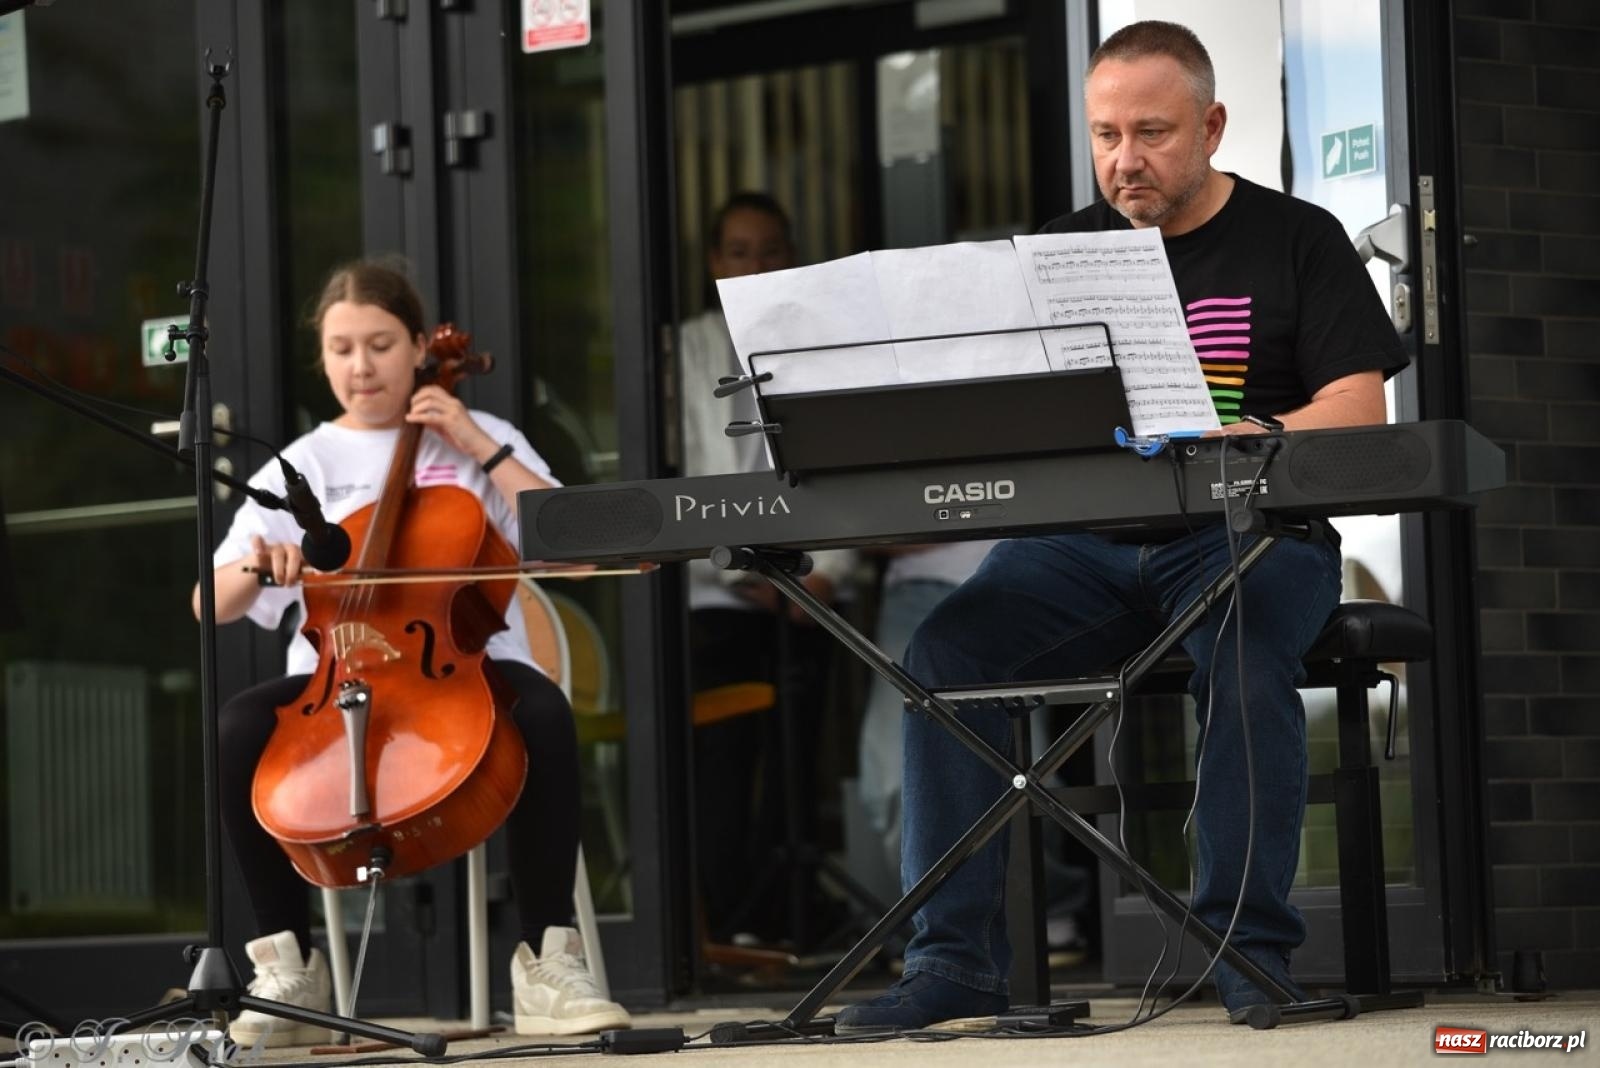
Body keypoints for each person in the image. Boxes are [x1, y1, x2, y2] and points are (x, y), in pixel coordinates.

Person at [835, 20, 1407, 1033]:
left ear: (1211, 127)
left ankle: (1246, 952)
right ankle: (953, 964)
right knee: (945, 653)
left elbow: (1359, 411)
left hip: (1247, 534)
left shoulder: (1296, 236)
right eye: (1105, 135)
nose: (1124, 159)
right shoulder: (1058, 250)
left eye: (1151, 132)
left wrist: (1248, 429)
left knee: (1240, 648)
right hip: (1083, 549)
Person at [195, 259, 630, 1045]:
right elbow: (208, 602)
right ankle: (289, 967)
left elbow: (575, 550)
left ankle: (546, 961)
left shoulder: (482, 438)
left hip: (465, 665)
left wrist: (476, 443)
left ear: (421, 347)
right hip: (336, 681)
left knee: (543, 712)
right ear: (322, 357)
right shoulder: (305, 466)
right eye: (341, 349)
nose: (360, 366)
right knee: (237, 728)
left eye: (381, 345)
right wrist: (261, 564)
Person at [678, 193, 855, 946]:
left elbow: (846, 470)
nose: (755, 267)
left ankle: (790, 912)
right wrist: (749, 578)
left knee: (799, 747)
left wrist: (827, 575)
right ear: (714, 262)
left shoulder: (823, 345)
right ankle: (733, 919)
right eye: (739, 252)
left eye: (770, 251)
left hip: (808, 589)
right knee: (724, 754)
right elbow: (679, 481)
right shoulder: (681, 350)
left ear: (793, 257)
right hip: (713, 592)